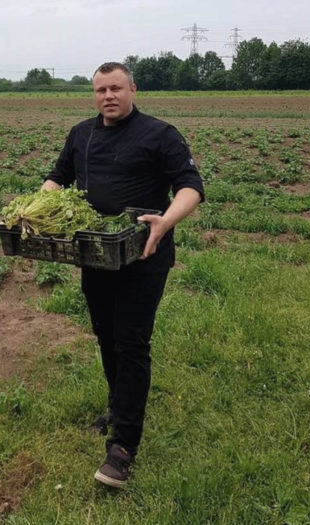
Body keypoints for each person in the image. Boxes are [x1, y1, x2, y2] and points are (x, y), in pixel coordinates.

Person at [41, 62, 204, 488]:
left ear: (132, 88)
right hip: (97, 252)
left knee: (131, 341)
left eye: (115, 88)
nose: (108, 96)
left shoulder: (160, 134)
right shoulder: (81, 134)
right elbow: (58, 178)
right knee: (105, 334)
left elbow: (191, 185)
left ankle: (123, 446)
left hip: (144, 254)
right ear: (93, 94)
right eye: (100, 90)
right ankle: (119, 403)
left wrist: (166, 221)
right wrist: (34, 208)